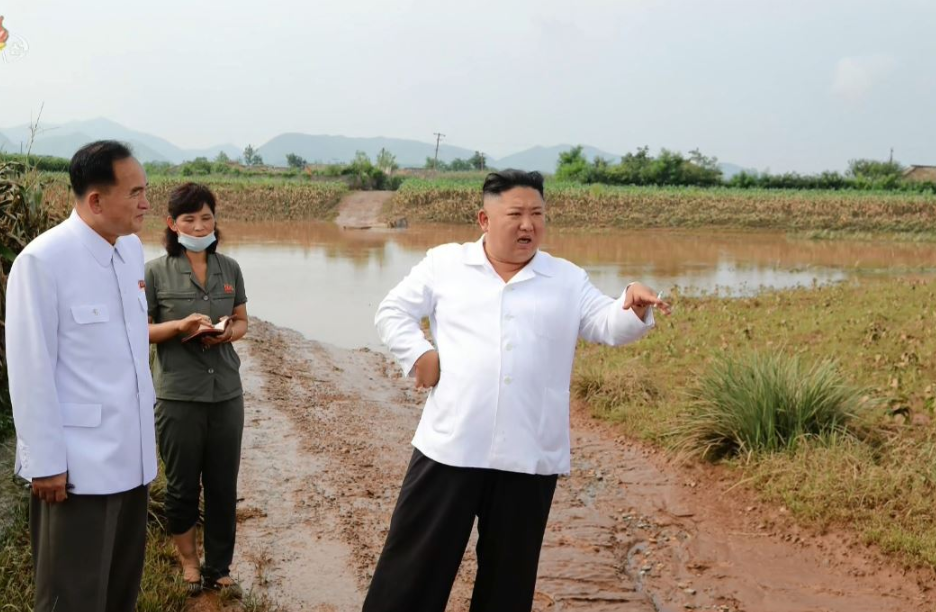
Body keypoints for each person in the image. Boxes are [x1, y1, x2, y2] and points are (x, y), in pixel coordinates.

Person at [364, 169, 670, 611]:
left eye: (537, 214)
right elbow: (393, 310)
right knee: (412, 569)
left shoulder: (565, 279)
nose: (528, 225)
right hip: (451, 445)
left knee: (508, 581)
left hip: (528, 453)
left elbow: (606, 323)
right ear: (484, 220)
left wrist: (631, 304)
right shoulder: (445, 264)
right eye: (516, 214)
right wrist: (419, 354)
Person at [7, 140, 157, 612]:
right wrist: (45, 462)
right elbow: (30, 369)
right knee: (71, 596)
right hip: (78, 469)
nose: (146, 203)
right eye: (135, 193)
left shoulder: (130, 251)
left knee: (119, 590)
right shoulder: (43, 260)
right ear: (96, 200)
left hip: (132, 458)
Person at [144, 182, 248, 595]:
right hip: (177, 395)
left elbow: (241, 320)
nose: (200, 225)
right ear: (172, 224)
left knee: (224, 485)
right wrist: (180, 327)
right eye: (189, 218)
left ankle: (218, 567)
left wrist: (227, 334)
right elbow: (140, 329)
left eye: (206, 217)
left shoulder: (231, 268)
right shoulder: (154, 271)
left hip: (226, 393)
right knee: (183, 485)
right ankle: (189, 562)